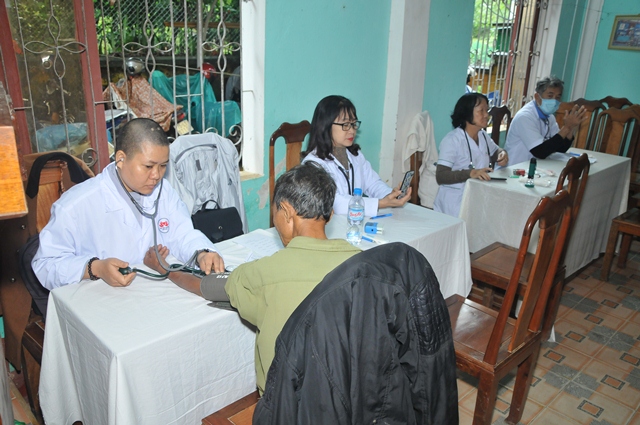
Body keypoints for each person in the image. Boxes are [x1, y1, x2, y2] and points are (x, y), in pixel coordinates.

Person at [143, 162, 361, 394]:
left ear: (286, 212)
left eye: (275, 211)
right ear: (330, 214)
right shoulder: (363, 263)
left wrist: (165, 268)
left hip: (285, 405)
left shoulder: (265, 273)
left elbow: (205, 286)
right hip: (350, 397)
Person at [32, 118, 224, 290]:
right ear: (121, 159)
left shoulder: (163, 191)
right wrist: (95, 268)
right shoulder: (76, 205)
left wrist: (202, 253)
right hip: (101, 301)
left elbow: (182, 234)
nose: (156, 175)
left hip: (151, 295)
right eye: (148, 166)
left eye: (163, 166)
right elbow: (45, 265)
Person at [302, 95, 411, 217]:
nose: (352, 130)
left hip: (354, 221)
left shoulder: (355, 155)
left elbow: (373, 183)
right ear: (325, 126)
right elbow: (334, 203)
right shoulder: (314, 164)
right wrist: (380, 203)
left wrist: (391, 195)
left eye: (353, 124)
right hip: (331, 225)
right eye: (345, 124)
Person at [434, 93, 508, 217]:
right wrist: (470, 173)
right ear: (467, 113)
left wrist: (502, 154)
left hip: (477, 198)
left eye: (487, 110)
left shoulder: (482, 135)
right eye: (481, 111)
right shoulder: (452, 140)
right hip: (454, 203)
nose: (486, 115)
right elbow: (441, 176)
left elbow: (496, 151)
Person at [504, 76, 588, 166]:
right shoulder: (525, 117)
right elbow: (540, 152)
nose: (554, 101)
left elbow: (560, 148)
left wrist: (570, 128)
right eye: (550, 96)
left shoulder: (549, 117)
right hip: (515, 167)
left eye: (558, 97)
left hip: (536, 166)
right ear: (537, 97)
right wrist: (566, 127)